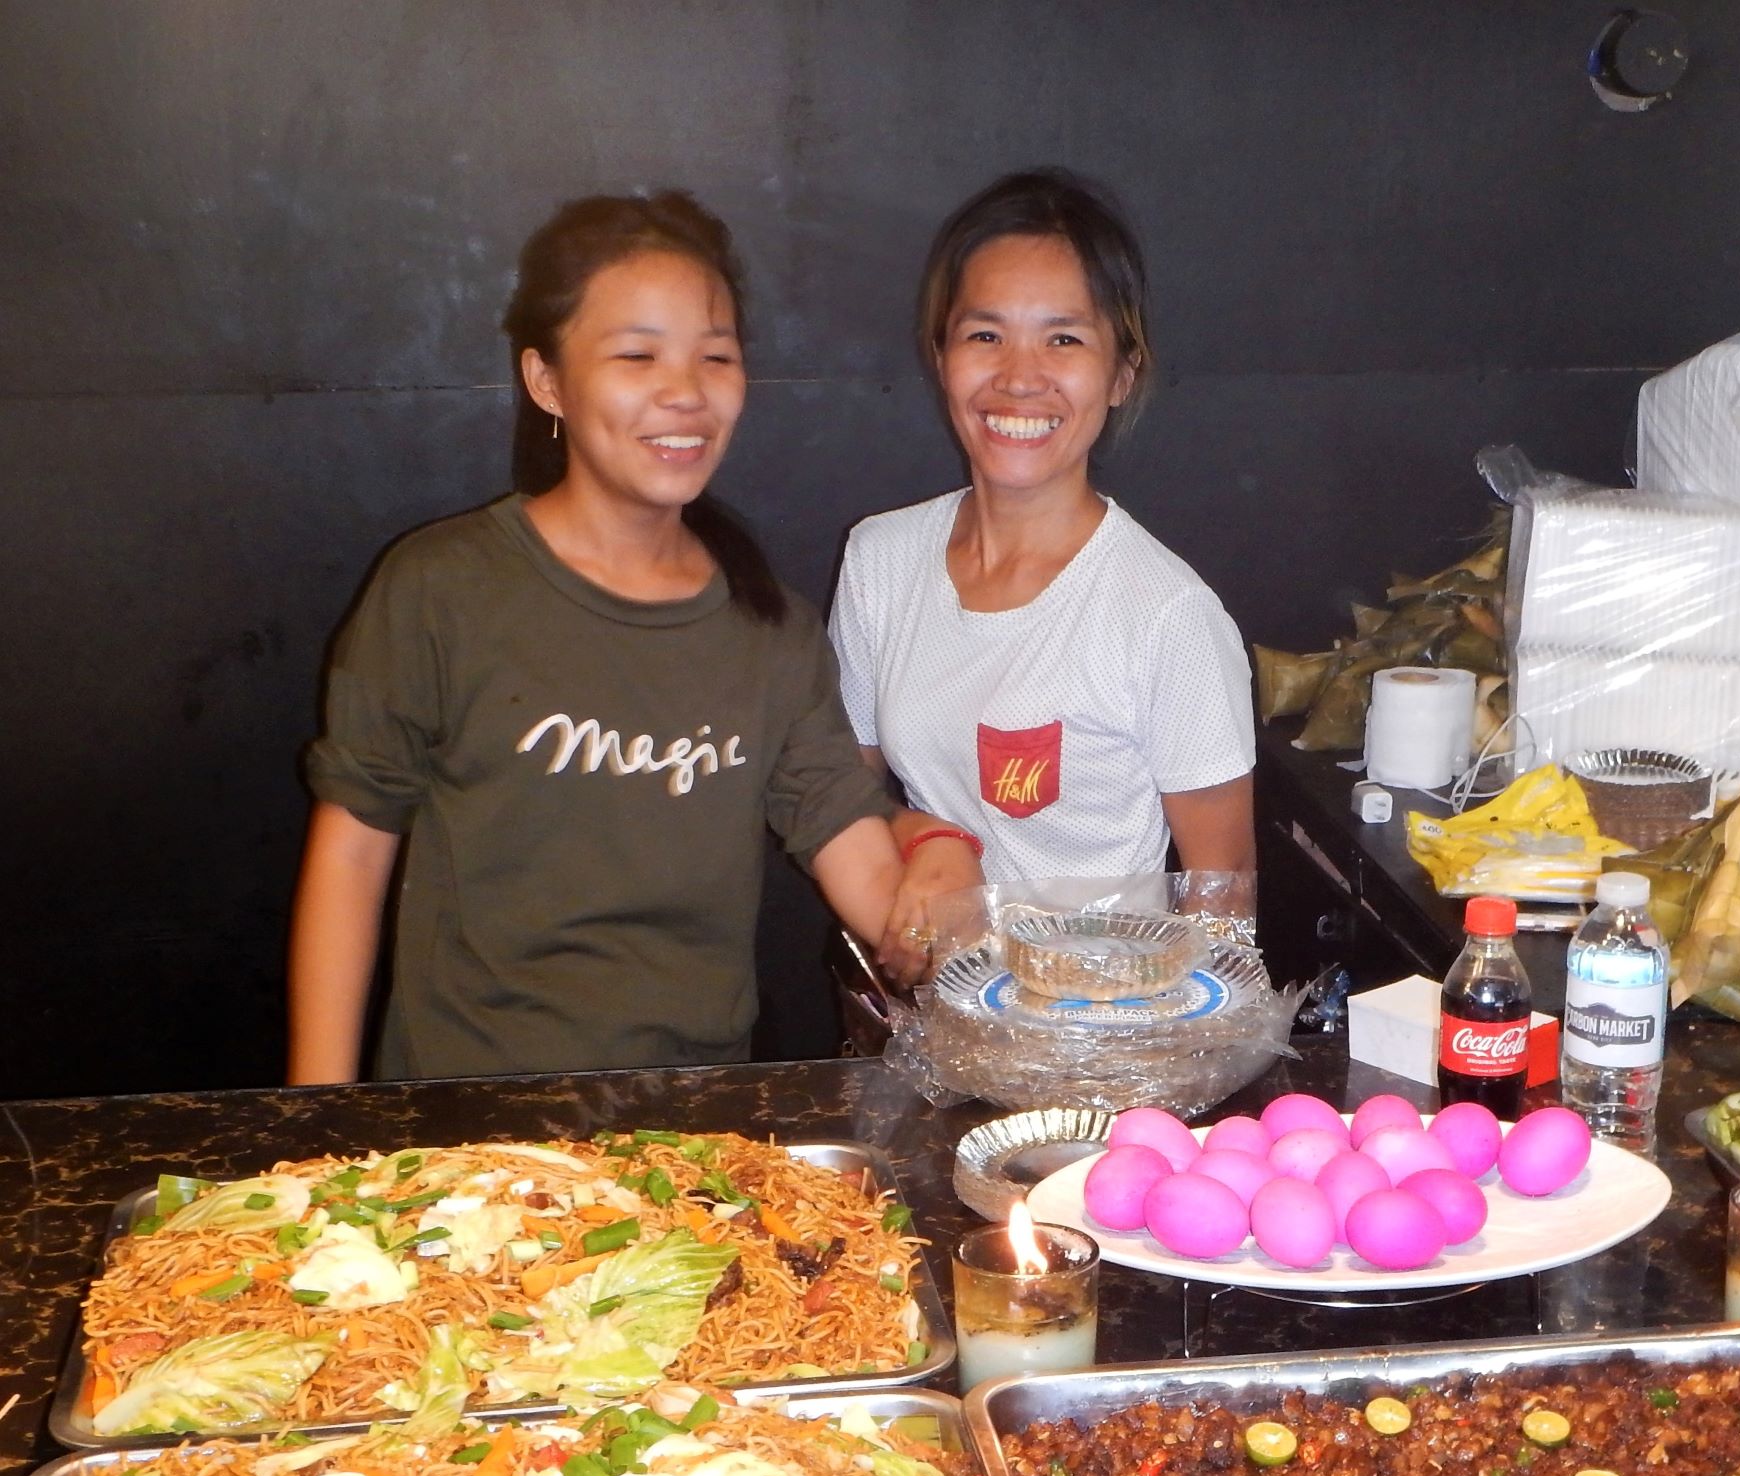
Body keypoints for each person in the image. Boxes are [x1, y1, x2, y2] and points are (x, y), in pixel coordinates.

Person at [287, 191, 968, 1084]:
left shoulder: (770, 631)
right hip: (464, 1127)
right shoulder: (442, 587)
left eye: (715, 356)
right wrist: (314, 1117)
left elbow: (857, 851)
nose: (684, 392)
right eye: (637, 354)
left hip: (688, 1134)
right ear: (546, 381)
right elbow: (351, 850)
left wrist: (940, 868)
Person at [828, 169, 1256, 889]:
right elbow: (843, 799)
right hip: (931, 994)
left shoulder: (1167, 615)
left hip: (1113, 1000)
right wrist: (924, 838)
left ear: (1122, 373)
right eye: (986, 334)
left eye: (1063, 339)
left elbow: (1225, 886)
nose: (1019, 377)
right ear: (941, 357)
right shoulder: (881, 560)